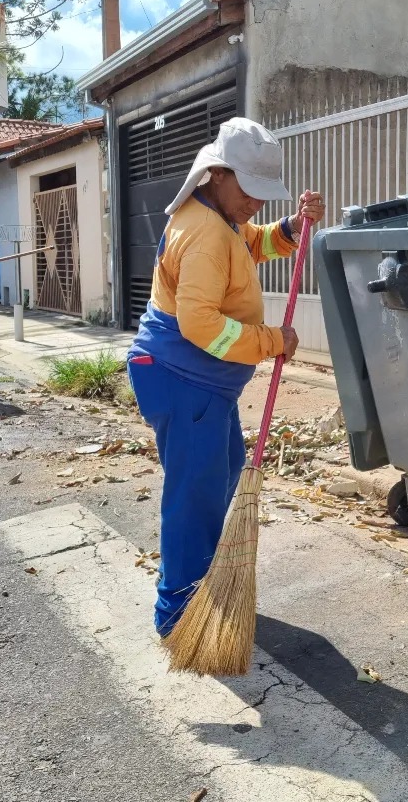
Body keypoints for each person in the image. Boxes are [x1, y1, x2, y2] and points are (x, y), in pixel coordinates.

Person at [127, 118, 325, 638]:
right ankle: (180, 614)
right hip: (183, 376)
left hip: (199, 382)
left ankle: (204, 587)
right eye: (250, 190)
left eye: (265, 194)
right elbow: (200, 325)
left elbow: (251, 244)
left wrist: (288, 231)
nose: (255, 203)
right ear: (217, 173)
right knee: (196, 495)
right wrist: (270, 342)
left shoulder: (219, 217)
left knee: (221, 471)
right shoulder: (206, 234)